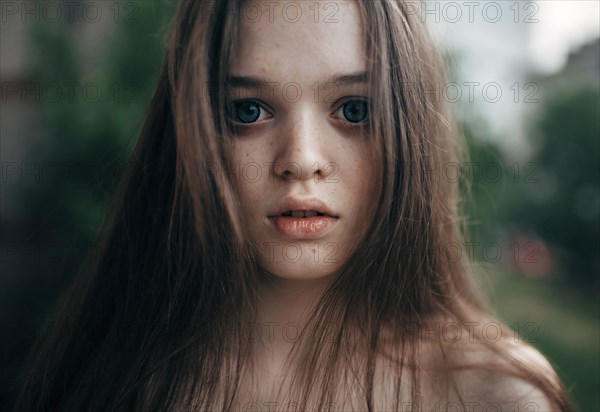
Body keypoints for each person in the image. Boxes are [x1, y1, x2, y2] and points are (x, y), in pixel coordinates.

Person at [14, 1, 574, 411]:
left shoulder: (494, 394)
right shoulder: (115, 370)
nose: (301, 160)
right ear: (192, 130)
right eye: (249, 111)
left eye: (354, 110)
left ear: (410, 130)